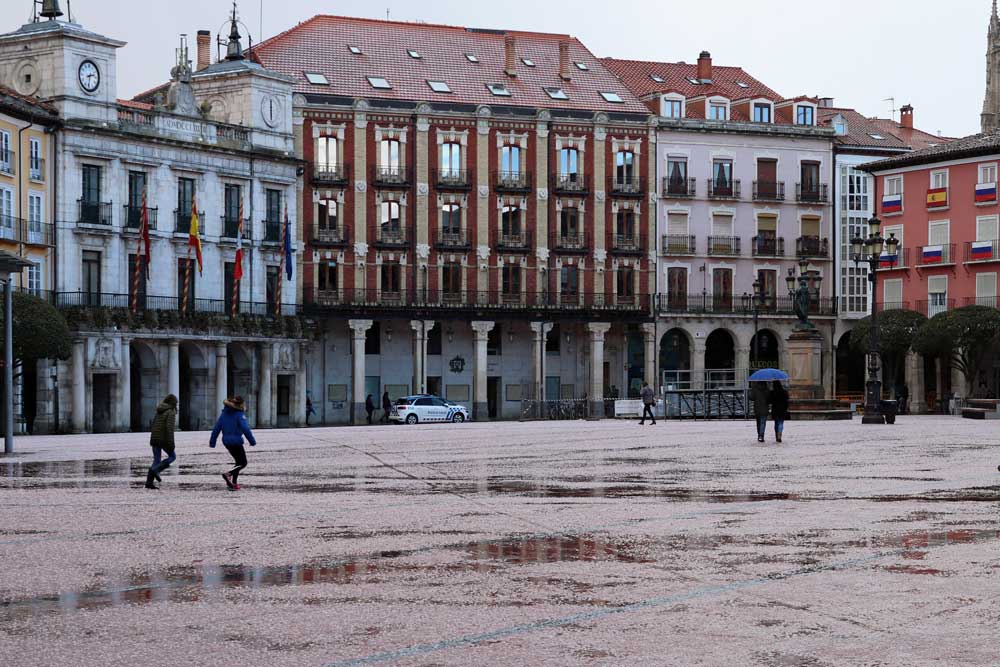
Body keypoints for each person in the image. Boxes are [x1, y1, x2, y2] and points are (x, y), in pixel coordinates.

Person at [210, 396, 257, 491]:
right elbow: (245, 428)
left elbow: (216, 428)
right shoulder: (239, 414)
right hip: (236, 442)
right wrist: (252, 441)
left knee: (238, 462)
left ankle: (234, 483)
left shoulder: (224, 414)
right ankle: (228, 474)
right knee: (243, 463)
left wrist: (212, 442)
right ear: (240, 404)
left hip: (226, 442)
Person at [145, 394, 177, 490]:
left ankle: (149, 483)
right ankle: (156, 470)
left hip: (155, 438)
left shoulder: (159, 410)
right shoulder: (171, 412)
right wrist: (171, 444)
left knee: (157, 460)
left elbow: (154, 424)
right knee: (172, 456)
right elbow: (169, 429)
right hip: (163, 439)